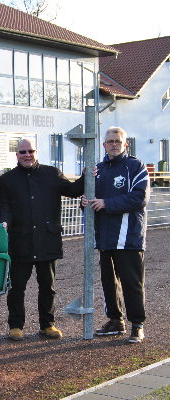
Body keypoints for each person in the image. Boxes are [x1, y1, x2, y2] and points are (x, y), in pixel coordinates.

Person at [0, 138, 83, 341]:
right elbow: (4, 206)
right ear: (16, 155)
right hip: (20, 241)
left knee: (48, 286)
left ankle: (47, 325)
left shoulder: (51, 174)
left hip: (47, 240)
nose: (27, 155)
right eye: (22, 152)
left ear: (37, 152)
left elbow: (72, 191)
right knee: (17, 287)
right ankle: (16, 326)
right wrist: (4, 223)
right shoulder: (7, 179)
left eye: (31, 151)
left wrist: (87, 175)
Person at [81, 126, 149, 343]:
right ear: (104, 145)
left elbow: (139, 198)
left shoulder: (135, 166)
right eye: (110, 141)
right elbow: (91, 199)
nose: (113, 144)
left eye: (117, 141)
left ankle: (137, 325)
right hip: (105, 238)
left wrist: (106, 203)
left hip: (128, 238)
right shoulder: (98, 169)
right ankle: (115, 320)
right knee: (108, 282)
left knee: (132, 283)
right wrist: (84, 201)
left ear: (125, 144)